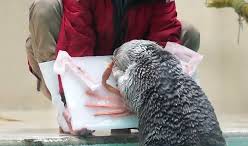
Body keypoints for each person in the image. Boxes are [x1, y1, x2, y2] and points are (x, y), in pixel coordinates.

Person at [26, 0, 200, 135]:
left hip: (129, 67)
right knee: (44, 7)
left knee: (187, 32)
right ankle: (64, 107)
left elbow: (162, 43)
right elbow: (77, 41)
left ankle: (146, 113)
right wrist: (76, 104)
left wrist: (150, 100)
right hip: (84, 62)